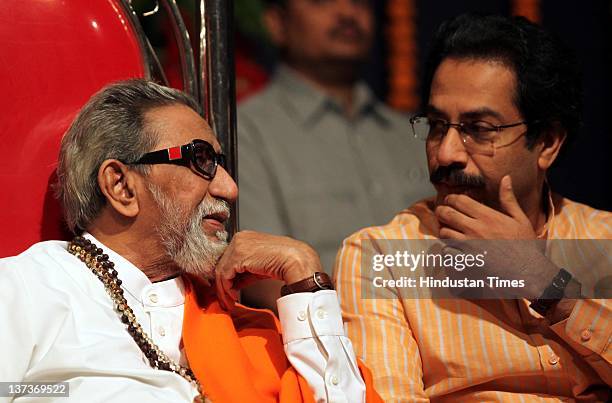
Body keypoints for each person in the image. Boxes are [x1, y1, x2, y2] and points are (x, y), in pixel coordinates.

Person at [0, 79, 382, 403]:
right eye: (201, 161)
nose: (229, 188)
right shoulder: (27, 289)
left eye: (222, 165)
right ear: (121, 186)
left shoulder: (246, 324)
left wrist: (304, 276)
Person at [334, 14, 611, 402]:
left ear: (547, 143)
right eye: (435, 125)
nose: (446, 153)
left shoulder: (605, 238)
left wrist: (543, 283)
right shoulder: (381, 258)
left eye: (478, 129)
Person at [237, 0, 434, 310]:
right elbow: (261, 279)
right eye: (322, 1)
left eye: (359, 2)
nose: (346, 12)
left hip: (446, 340)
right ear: (277, 22)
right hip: (326, 347)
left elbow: (476, 262)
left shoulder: (416, 136)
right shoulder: (244, 133)